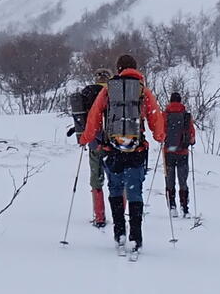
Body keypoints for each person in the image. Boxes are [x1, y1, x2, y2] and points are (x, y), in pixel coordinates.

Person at [78, 53, 164, 253]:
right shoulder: (142, 90)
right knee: (134, 192)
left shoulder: (109, 90)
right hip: (136, 150)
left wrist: (85, 138)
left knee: (115, 190)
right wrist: (160, 136)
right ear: (135, 68)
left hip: (113, 150)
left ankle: (119, 234)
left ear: (118, 69)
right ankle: (136, 237)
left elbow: (94, 117)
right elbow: (156, 118)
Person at [67, 69, 112, 227]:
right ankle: (120, 214)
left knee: (96, 180)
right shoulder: (115, 92)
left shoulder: (87, 92)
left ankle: (99, 216)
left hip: (94, 142)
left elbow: (84, 119)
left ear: (96, 78)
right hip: (113, 143)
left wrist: (81, 134)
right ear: (108, 78)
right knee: (117, 181)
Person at [161, 89, 195, 216]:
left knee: (169, 180)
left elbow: (160, 132)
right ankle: (184, 207)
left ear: (170, 101)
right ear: (180, 101)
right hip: (183, 152)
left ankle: (172, 207)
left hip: (169, 151)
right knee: (183, 181)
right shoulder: (186, 115)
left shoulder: (165, 115)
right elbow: (192, 135)